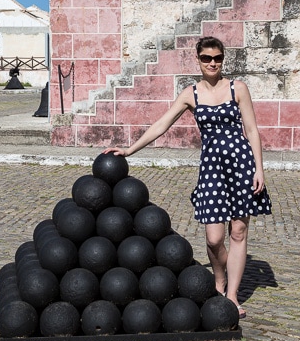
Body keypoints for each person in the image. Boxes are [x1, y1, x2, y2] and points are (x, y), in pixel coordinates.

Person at [103, 36, 271, 318]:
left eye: (217, 58)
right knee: (214, 238)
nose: (212, 63)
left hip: (242, 165)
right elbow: (162, 125)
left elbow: (252, 130)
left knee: (238, 232)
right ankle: (219, 279)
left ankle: (231, 296)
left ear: (223, 59)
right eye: (207, 58)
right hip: (212, 169)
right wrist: (130, 149)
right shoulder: (190, 94)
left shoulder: (237, 88)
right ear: (198, 60)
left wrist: (259, 169)